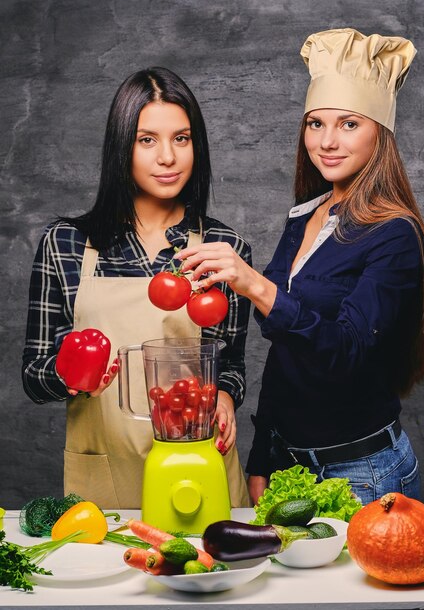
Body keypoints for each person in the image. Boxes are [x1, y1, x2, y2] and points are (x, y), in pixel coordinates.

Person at [175, 28, 424, 506]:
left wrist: (254, 284)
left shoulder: (395, 234)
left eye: (349, 124)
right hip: (289, 466)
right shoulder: (305, 216)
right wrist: (263, 456)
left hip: (363, 474)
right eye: (316, 123)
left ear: (381, 132)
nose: (328, 141)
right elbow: (287, 353)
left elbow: (346, 351)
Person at [22, 67, 252, 509]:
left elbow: (231, 364)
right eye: (147, 140)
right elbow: (34, 375)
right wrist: (69, 377)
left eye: (181, 139)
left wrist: (224, 395)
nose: (167, 157)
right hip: (103, 474)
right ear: (121, 147)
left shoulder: (224, 248)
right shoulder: (66, 243)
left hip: (197, 466)